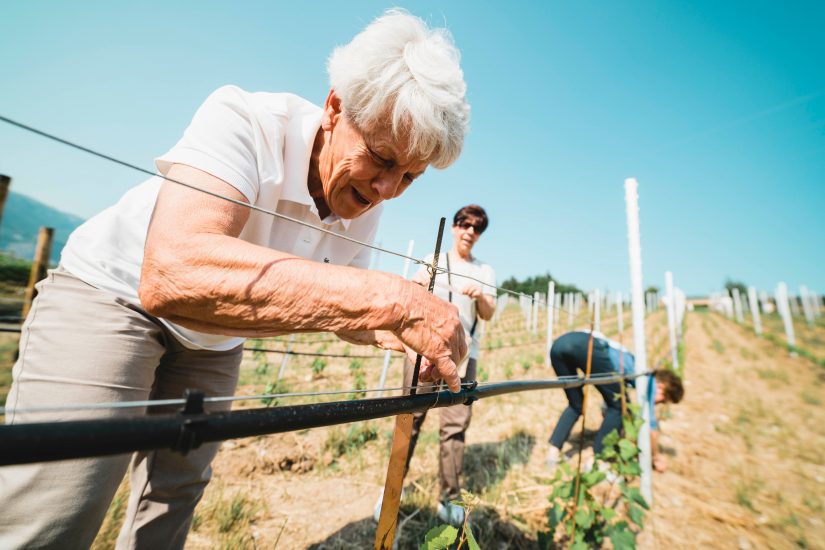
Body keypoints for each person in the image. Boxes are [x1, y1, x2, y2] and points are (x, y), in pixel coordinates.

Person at [0, 10, 471, 550]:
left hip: (216, 335)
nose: (389, 188)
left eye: (410, 176)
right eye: (382, 158)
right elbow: (174, 272)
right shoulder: (246, 121)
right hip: (115, 296)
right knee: (62, 503)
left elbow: (346, 303)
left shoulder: (365, 195)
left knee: (175, 496)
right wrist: (392, 301)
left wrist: (407, 339)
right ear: (335, 108)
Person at [374, 205, 496, 526]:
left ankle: (449, 498)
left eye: (477, 228)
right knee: (408, 419)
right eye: (465, 224)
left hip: (465, 356)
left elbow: (489, 312)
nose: (470, 231)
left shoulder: (484, 270)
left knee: (455, 427)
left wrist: (480, 296)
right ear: (455, 227)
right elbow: (413, 291)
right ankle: (390, 493)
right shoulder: (435, 260)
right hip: (425, 352)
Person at [546, 330, 684, 472]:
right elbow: (650, 427)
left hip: (558, 345)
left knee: (576, 404)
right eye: (663, 400)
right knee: (619, 406)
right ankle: (597, 460)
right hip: (587, 345)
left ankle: (553, 452)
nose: (658, 403)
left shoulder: (635, 367)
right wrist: (656, 457)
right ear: (662, 387)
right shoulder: (649, 381)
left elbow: (608, 403)